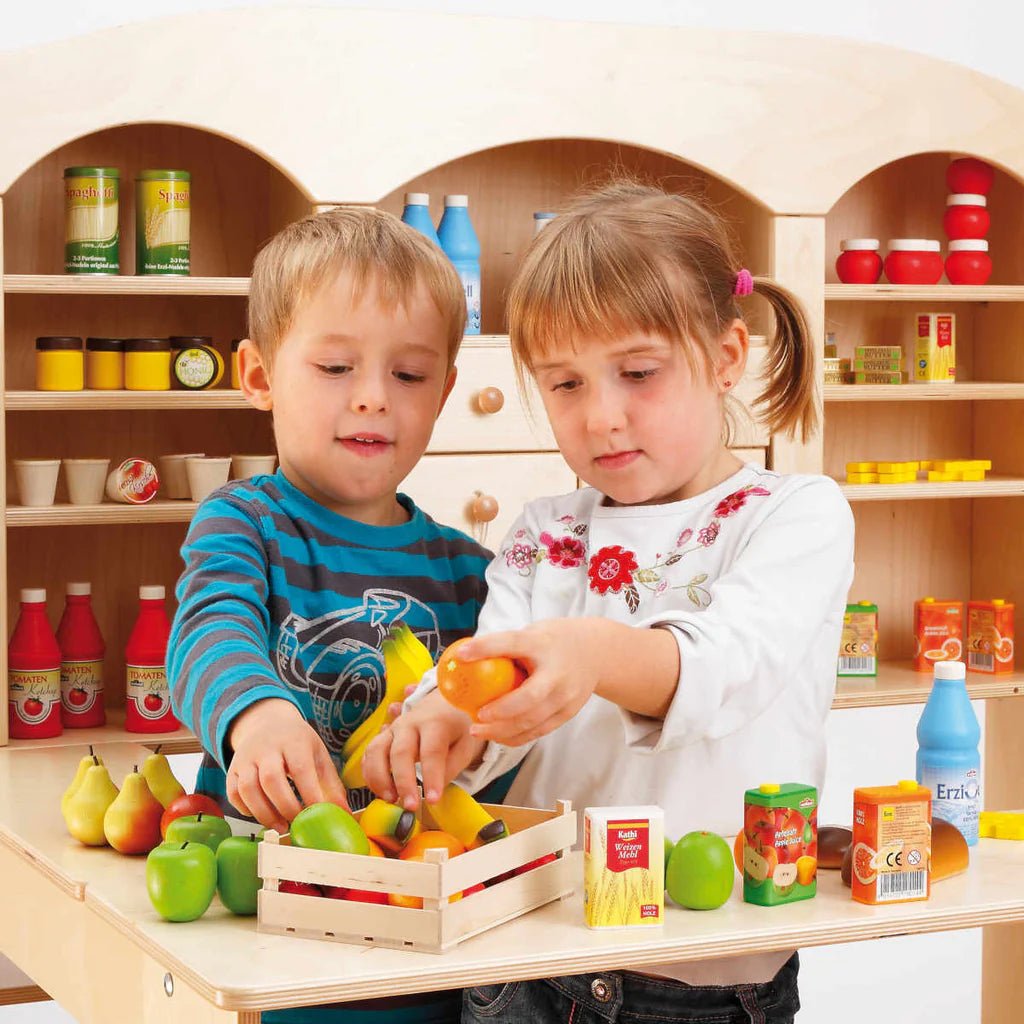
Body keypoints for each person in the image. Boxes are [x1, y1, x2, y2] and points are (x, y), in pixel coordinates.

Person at [363, 182, 855, 1024]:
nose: (602, 417)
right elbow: (495, 682)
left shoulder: (796, 515)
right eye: (564, 385)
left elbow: (724, 663)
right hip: (527, 961)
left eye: (637, 373)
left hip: (700, 979)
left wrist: (590, 653)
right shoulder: (544, 531)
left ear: (727, 356)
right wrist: (446, 720)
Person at [168, 206, 493, 1024]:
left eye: (410, 376)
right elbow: (211, 628)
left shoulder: (470, 570)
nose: (374, 400)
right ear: (259, 376)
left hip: (426, 949)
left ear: (445, 392)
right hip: (261, 935)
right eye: (336, 367)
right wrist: (257, 715)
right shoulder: (245, 524)